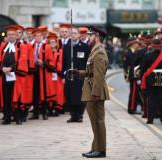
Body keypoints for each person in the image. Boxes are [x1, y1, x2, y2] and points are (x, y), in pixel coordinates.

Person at [69, 26, 109, 158]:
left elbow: (98, 75)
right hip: (91, 89)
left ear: (96, 36)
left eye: (90, 36)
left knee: (98, 121)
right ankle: (95, 147)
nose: (88, 38)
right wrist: (78, 73)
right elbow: (90, 72)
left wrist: (96, 93)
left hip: (94, 91)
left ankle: (100, 150)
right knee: (94, 122)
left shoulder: (99, 52)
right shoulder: (95, 51)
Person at [1, 25, 28, 125]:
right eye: (9, 35)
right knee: (6, 97)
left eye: (13, 34)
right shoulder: (4, 46)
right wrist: (2, 68)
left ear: (16, 35)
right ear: (7, 36)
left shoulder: (22, 46)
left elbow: (22, 60)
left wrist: (10, 68)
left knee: (17, 97)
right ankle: (7, 117)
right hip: (5, 75)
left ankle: (18, 117)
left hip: (16, 75)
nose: (11, 36)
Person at [63, 27, 90, 123]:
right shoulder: (66, 46)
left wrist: (86, 73)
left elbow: (88, 61)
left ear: (79, 35)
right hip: (69, 75)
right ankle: (72, 115)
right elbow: (63, 61)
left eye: (75, 33)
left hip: (80, 75)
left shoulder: (84, 46)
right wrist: (64, 72)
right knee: (69, 95)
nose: (73, 35)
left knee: (79, 95)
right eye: (72, 33)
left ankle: (79, 115)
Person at [141, 38, 162, 124]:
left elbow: (143, 69)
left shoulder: (147, 56)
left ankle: (150, 119)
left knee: (151, 100)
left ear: (152, 46)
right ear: (160, 46)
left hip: (151, 80)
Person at [123, 36, 142, 114]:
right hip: (133, 75)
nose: (137, 45)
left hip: (136, 75)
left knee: (136, 92)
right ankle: (131, 108)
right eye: (136, 43)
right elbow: (126, 66)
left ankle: (133, 107)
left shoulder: (136, 52)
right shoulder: (129, 53)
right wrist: (127, 76)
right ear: (132, 44)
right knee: (133, 92)